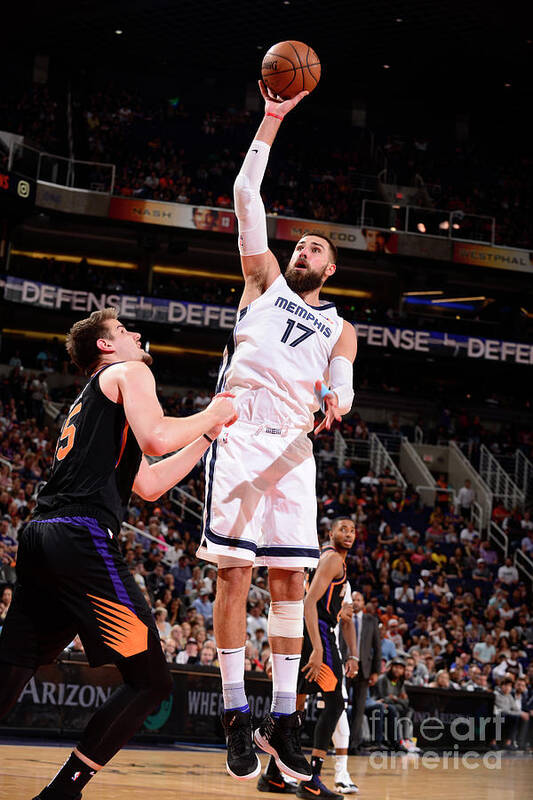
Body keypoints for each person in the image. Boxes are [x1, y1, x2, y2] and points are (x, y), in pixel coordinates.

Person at [0, 307, 236, 800]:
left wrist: (209, 435)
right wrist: (212, 412)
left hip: (43, 535)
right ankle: (63, 791)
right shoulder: (131, 371)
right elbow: (156, 436)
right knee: (150, 683)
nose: (136, 334)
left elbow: (147, 484)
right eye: (125, 330)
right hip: (80, 537)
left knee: (15, 664)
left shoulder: (94, 399)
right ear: (106, 346)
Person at [196, 82, 357, 782]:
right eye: (303, 241)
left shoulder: (339, 324)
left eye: (318, 247)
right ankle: (235, 712)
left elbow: (344, 373)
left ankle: (284, 720)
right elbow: (242, 193)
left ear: (330, 269)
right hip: (241, 430)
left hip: (293, 446)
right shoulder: (261, 279)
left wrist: (339, 397)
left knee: (290, 580)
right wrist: (270, 117)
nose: (307, 246)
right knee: (234, 575)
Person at [291, 518, 358, 799]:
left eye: (353, 530)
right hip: (319, 633)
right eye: (343, 529)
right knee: (334, 703)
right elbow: (309, 602)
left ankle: (274, 774)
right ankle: (312, 779)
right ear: (331, 533)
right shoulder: (332, 560)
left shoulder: (328, 560)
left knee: (296, 700)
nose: (349, 534)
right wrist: (318, 648)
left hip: (308, 632)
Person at [344, 591, 381, 753]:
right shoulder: (343, 618)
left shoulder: (371, 621)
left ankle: (353, 744)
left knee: (359, 708)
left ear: (364, 603)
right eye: (353, 600)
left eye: (358, 600)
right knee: (340, 705)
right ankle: (339, 741)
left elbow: (377, 648)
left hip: (364, 669)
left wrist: (376, 671)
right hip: (344, 665)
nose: (355, 602)